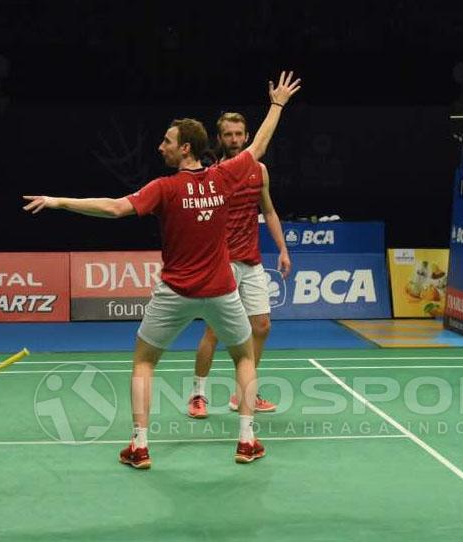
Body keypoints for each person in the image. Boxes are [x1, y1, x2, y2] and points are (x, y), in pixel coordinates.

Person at [23, 71, 301, 469]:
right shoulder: (223, 178)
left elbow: (114, 207)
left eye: (167, 142)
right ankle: (246, 440)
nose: (160, 147)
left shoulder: (164, 189)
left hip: (175, 292)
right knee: (243, 356)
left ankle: (139, 445)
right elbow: (257, 146)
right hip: (221, 289)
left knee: (144, 361)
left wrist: (58, 201)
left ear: (185, 148)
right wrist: (277, 105)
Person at [187, 112, 291, 419]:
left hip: (252, 261)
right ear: (219, 139)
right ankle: (198, 395)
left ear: (246, 137)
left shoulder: (259, 171)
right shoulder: (217, 174)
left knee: (261, 327)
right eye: (228, 134)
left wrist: (283, 249)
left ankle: (244, 393)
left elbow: (268, 212)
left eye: (238, 134)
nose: (233, 139)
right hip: (221, 263)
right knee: (215, 331)